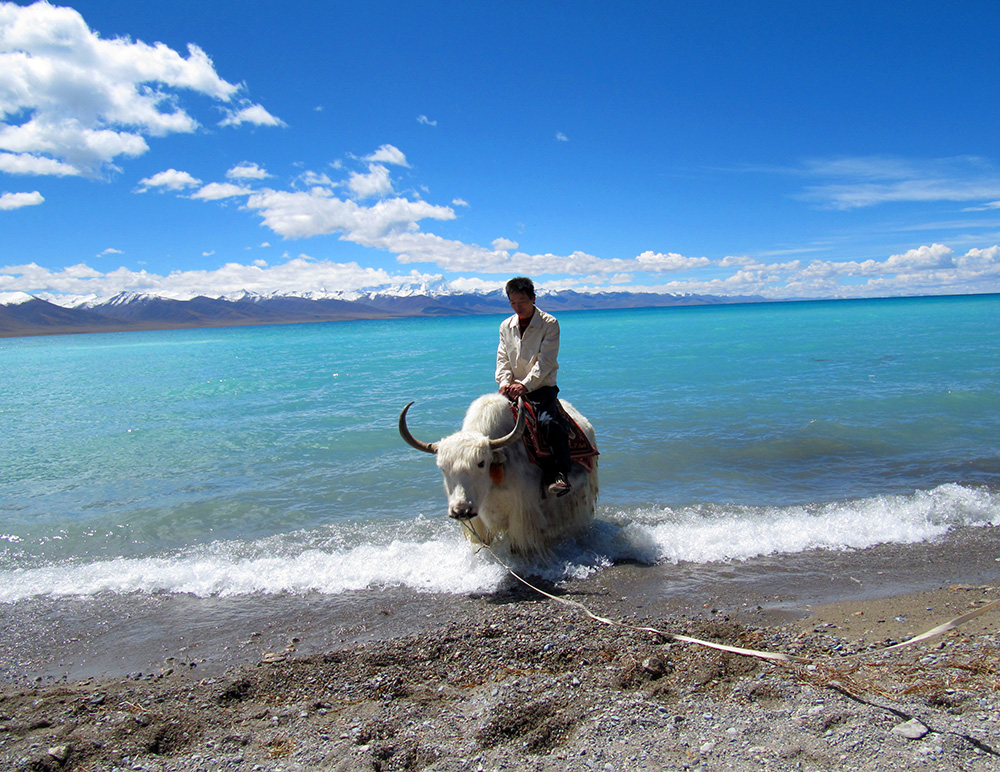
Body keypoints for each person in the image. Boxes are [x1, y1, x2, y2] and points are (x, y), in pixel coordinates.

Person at [495, 276, 573, 496]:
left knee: (547, 422)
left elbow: (545, 362)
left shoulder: (549, 324)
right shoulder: (506, 326)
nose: (517, 307)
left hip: (541, 388)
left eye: (522, 301)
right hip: (511, 389)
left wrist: (525, 385)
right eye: (513, 302)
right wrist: (504, 382)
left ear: (533, 299)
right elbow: (502, 358)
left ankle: (560, 472)